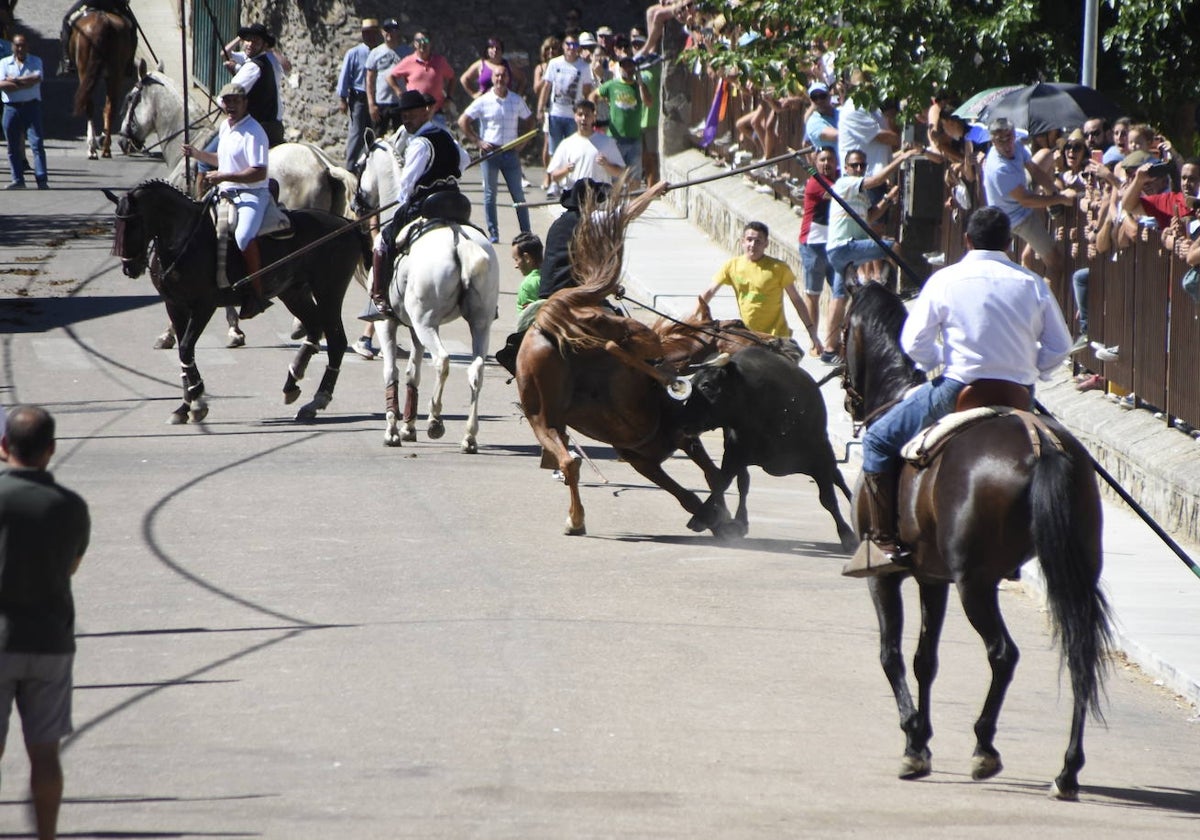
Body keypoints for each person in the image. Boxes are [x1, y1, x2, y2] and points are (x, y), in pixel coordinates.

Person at [843, 207, 1072, 576]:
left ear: (967, 240)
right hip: (1018, 395)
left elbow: (913, 341)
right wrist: (1034, 369)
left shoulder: (946, 279)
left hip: (958, 389)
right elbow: (1060, 347)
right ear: (1009, 242)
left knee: (878, 440)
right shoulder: (1033, 283)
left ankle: (883, 542)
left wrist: (937, 360)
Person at [0, 405, 90, 840]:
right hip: (51, 641)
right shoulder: (71, 506)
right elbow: (70, 567)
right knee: (45, 754)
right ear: (51, 451)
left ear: (3, 448)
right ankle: (47, 836)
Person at [369, 91, 470, 316]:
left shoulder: (420, 144)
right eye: (404, 116)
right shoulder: (446, 136)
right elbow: (465, 161)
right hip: (456, 203)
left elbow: (406, 185)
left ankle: (379, 298)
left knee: (381, 242)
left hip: (426, 206)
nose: (407, 120)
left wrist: (401, 204)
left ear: (425, 111)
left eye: (411, 114)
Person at [181, 82, 273, 320]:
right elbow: (221, 158)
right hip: (225, 191)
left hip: (253, 194)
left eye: (236, 101)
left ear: (245, 103)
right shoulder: (226, 127)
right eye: (227, 101)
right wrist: (198, 154)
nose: (231, 105)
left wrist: (224, 176)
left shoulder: (254, 132)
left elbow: (259, 172)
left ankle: (257, 293)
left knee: (243, 237)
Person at [982, 116, 1076, 286]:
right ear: (993, 142)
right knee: (1056, 262)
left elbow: (1034, 170)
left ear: (1014, 135)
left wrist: (1053, 191)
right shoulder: (999, 168)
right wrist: (1060, 198)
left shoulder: (1018, 146)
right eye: (1000, 140)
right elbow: (1025, 200)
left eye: (1009, 137)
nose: (1006, 144)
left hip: (1020, 205)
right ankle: (1040, 311)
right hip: (1013, 218)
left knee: (1045, 156)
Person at [538, 178, 669, 300]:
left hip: (547, 294)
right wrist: (654, 190)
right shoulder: (591, 221)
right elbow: (629, 212)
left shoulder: (558, 223)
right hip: (571, 295)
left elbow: (578, 264)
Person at [700, 221, 822, 351]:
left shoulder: (778, 268)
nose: (752, 245)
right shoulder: (732, 266)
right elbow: (709, 291)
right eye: (749, 240)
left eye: (758, 241)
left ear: (766, 244)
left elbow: (796, 300)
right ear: (743, 241)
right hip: (748, 338)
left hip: (776, 338)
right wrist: (692, 320)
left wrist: (812, 333)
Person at [825, 146, 922, 292]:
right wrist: (902, 157)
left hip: (841, 251)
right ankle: (891, 290)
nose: (859, 169)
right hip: (845, 247)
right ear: (846, 168)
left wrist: (888, 199)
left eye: (862, 165)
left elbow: (871, 216)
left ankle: (880, 291)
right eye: (854, 166)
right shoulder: (845, 183)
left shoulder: (861, 194)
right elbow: (877, 180)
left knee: (840, 298)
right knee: (893, 247)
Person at [457, 65, 534, 243]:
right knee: (490, 195)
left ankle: (526, 232)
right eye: (497, 76)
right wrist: (478, 141)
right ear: (492, 79)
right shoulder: (483, 100)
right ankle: (494, 233)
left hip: (510, 152)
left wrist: (523, 141)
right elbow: (463, 121)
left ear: (508, 79)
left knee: (518, 195)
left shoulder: (516, 100)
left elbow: (530, 119)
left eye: (503, 75)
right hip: (490, 152)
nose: (500, 79)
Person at [799, 147, 841, 359]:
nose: (826, 164)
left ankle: (834, 341)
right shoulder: (816, 183)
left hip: (833, 245)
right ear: (815, 163)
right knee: (813, 295)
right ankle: (815, 341)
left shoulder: (838, 181)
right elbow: (838, 193)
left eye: (830, 160)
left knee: (839, 293)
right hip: (813, 245)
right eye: (822, 160)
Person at [536, 34, 594, 177]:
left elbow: (587, 92)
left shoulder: (584, 67)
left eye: (574, 45)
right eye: (568, 44)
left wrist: (589, 113)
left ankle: (570, 178)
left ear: (578, 48)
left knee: (573, 148)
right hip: (556, 113)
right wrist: (540, 109)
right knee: (553, 149)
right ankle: (552, 179)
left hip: (573, 114)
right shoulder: (555, 63)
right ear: (563, 46)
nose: (571, 48)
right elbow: (546, 87)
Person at [225, 23, 285, 147]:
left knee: (204, 162)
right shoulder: (267, 62)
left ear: (264, 45)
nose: (250, 44)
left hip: (257, 127)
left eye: (256, 41)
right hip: (275, 126)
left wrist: (222, 102)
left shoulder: (253, 66)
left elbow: (228, 96)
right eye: (248, 40)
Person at [544, 100, 624, 193]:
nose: (583, 118)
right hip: (574, 198)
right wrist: (566, 170)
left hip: (599, 197)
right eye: (580, 114)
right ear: (575, 117)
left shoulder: (607, 142)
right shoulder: (566, 144)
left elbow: (620, 172)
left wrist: (606, 165)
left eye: (587, 115)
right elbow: (554, 176)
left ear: (594, 117)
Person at [592, 55, 650, 184]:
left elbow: (649, 102)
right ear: (620, 67)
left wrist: (641, 84)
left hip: (634, 138)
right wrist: (593, 111)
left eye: (630, 66)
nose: (627, 69)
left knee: (634, 178)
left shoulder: (639, 87)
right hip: (615, 139)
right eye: (624, 66)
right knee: (614, 176)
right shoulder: (612, 85)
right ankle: (615, 201)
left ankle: (631, 202)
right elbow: (593, 95)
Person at [0, 32, 45, 190]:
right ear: (13, 47)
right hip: (11, 108)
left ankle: (41, 179)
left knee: (37, 143)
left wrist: (15, 81)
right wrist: (25, 82)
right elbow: (2, 84)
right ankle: (17, 179)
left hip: (31, 106)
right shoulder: (4, 63)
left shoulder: (36, 61)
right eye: (17, 45)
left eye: (23, 45)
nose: (20, 48)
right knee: (12, 147)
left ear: (27, 47)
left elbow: (37, 79)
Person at [338, 18, 382, 169]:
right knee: (357, 132)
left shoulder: (381, 52)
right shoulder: (354, 53)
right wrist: (342, 98)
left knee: (375, 133)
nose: (369, 36)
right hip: (359, 98)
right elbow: (345, 76)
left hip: (377, 98)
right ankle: (350, 167)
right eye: (366, 33)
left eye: (372, 33)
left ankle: (371, 166)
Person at [387, 30, 455, 125]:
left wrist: (449, 97)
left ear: (430, 43)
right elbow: (390, 77)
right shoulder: (408, 61)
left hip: (436, 112)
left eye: (425, 40)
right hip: (415, 114)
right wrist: (399, 93)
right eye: (419, 40)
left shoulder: (440, 61)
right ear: (414, 44)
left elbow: (452, 77)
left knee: (438, 138)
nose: (422, 43)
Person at [59, 0, 136, 74]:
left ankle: (67, 60)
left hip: (90, 2)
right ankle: (129, 62)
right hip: (111, 3)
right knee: (132, 25)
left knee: (66, 21)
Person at [366, 19, 410, 136]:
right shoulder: (375, 53)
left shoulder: (407, 52)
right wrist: (371, 104)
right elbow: (369, 80)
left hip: (400, 102)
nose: (390, 33)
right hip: (381, 102)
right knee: (377, 136)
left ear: (398, 32)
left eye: (393, 30)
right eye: (387, 30)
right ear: (382, 32)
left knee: (402, 136)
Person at [513, 231, 544, 320]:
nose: (515, 265)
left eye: (516, 259)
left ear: (527, 258)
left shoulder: (527, 286)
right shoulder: (548, 277)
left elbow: (528, 320)